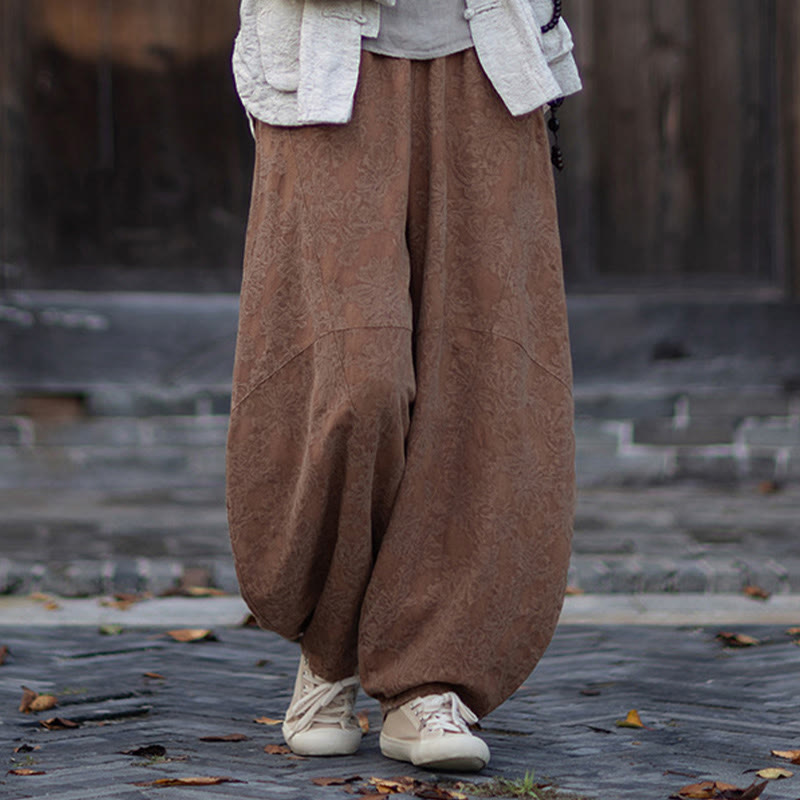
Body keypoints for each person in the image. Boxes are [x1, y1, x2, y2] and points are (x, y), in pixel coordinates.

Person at [226, 0, 581, 773]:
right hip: (327, 58)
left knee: (478, 381)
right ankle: (332, 647)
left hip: (490, 53)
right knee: (358, 377)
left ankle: (429, 680)